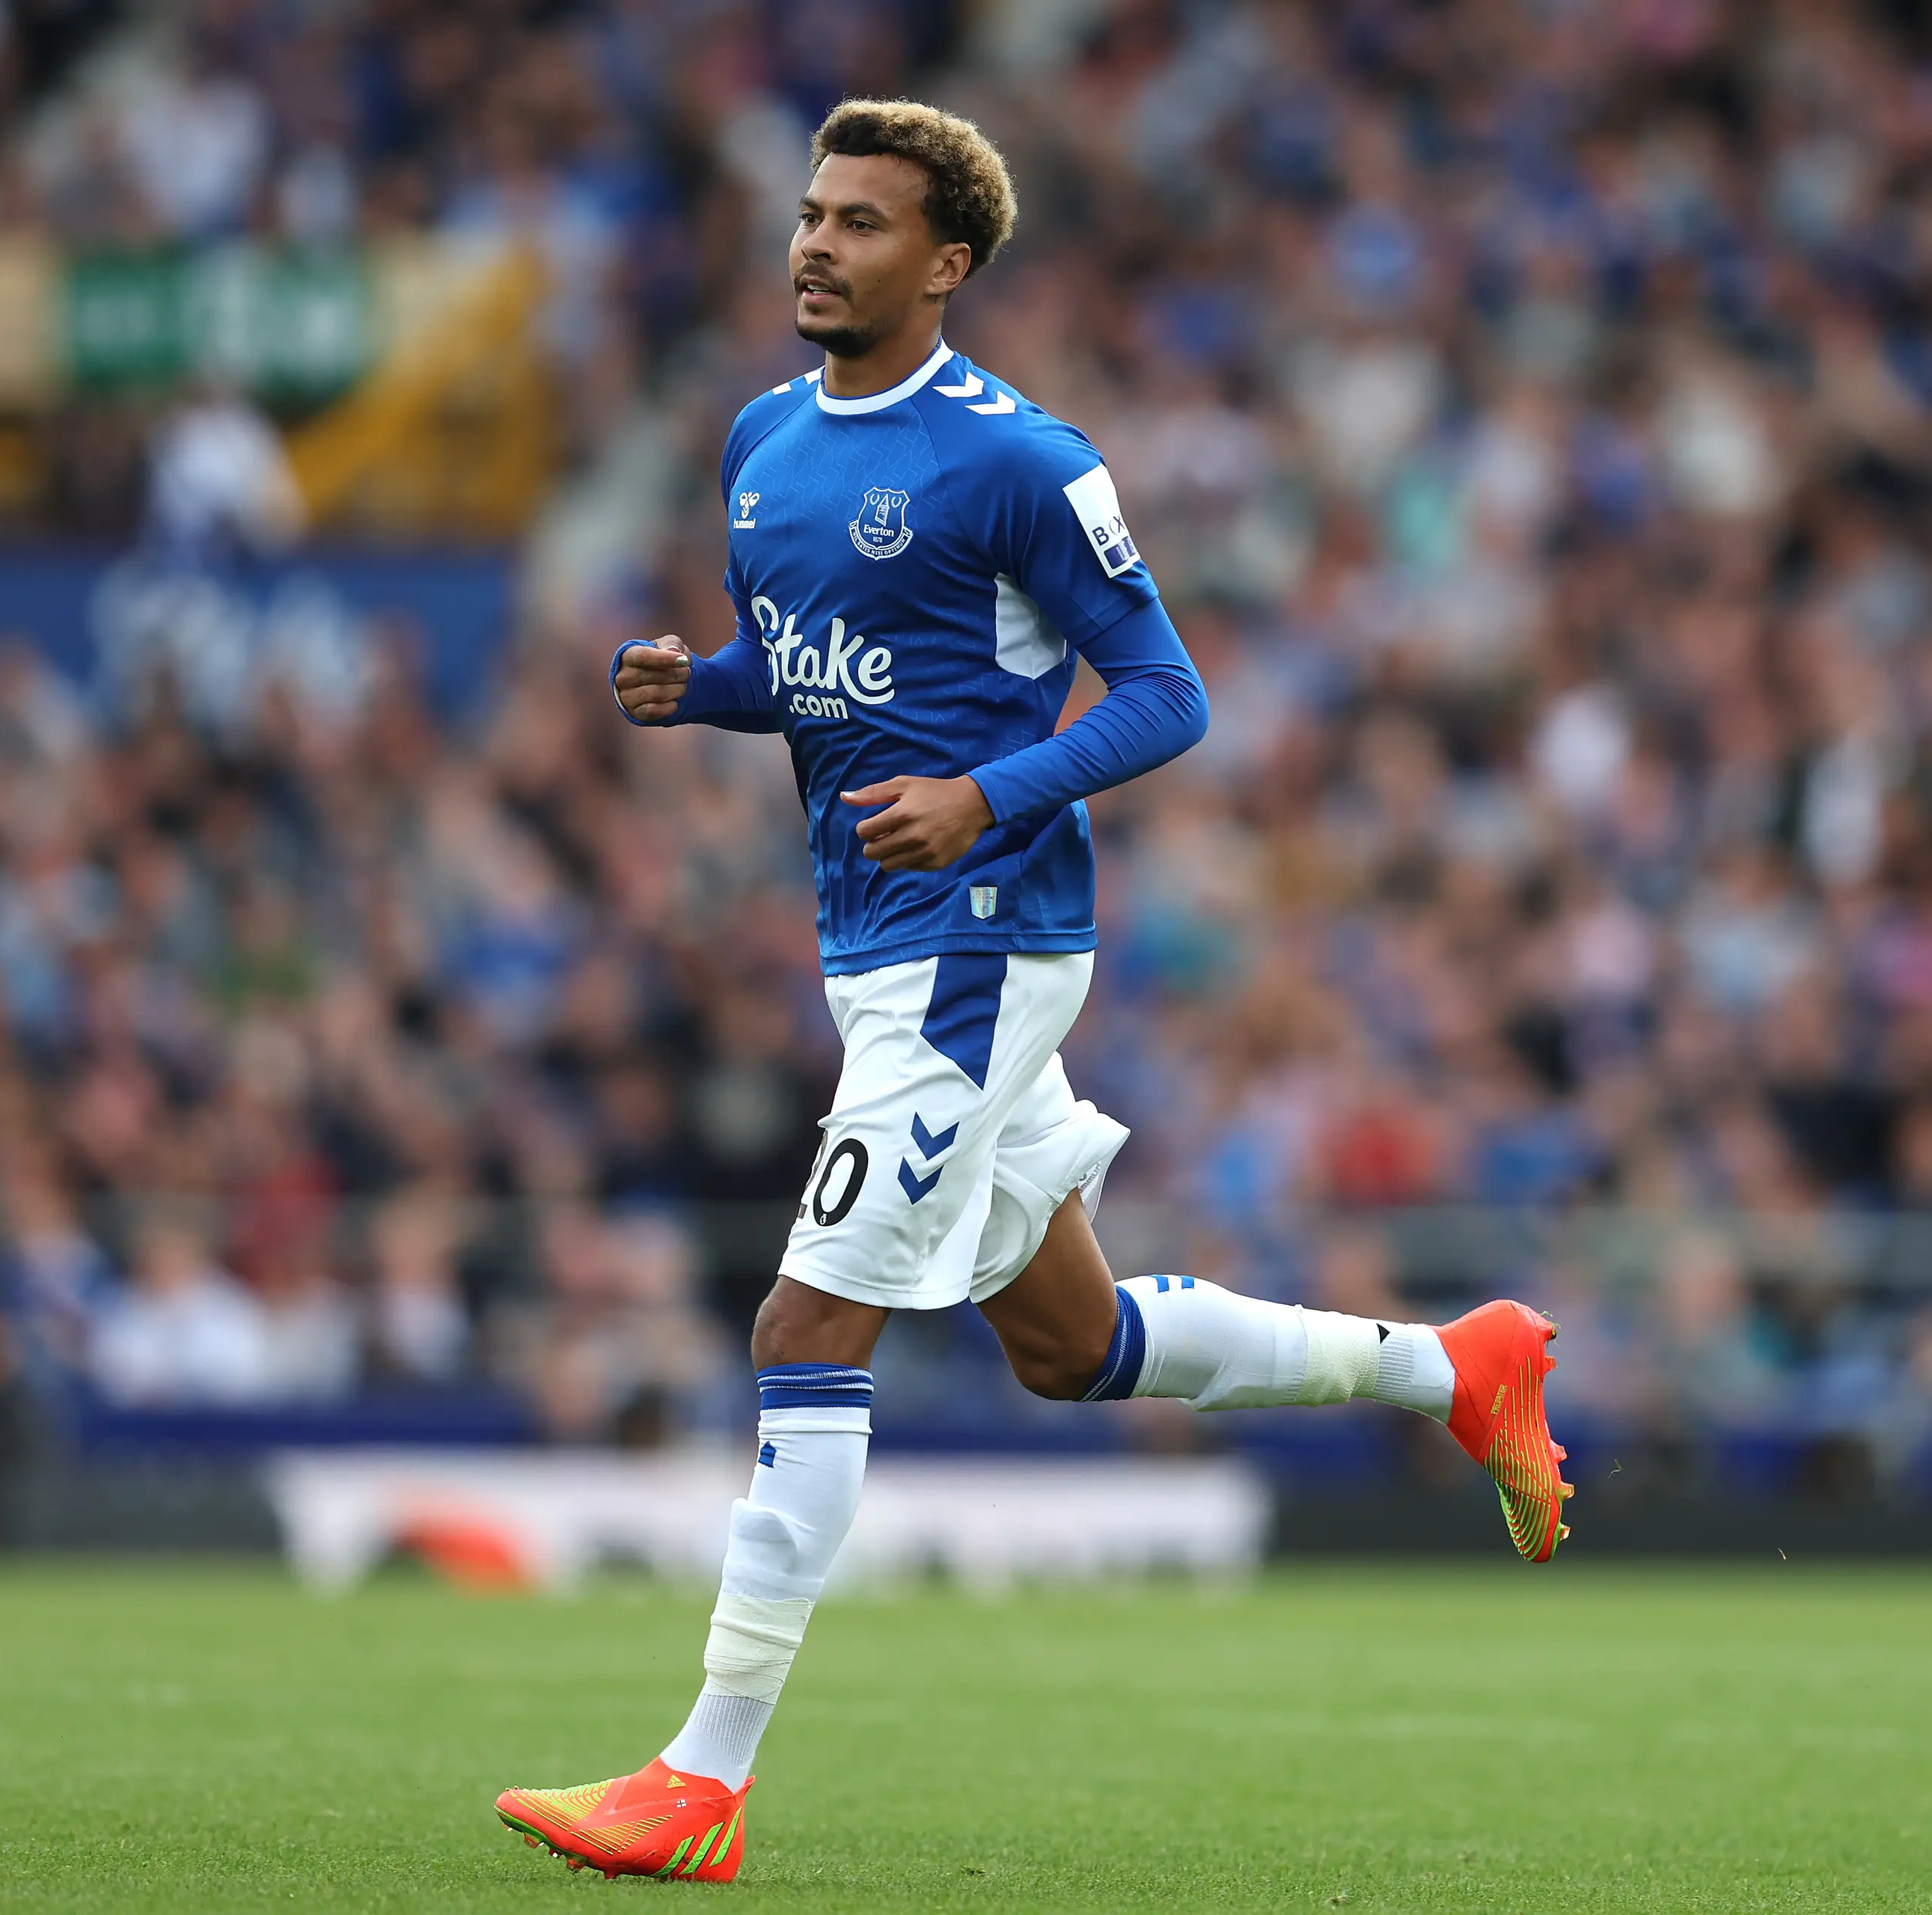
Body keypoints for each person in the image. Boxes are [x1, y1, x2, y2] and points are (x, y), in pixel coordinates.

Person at [493, 100, 1572, 1884]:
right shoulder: (765, 440)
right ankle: (1450, 1368)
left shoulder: (1023, 459)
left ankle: (702, 1776)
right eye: (813, 213)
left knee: (805, 1329)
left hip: (985, 945)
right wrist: (710, 686)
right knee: (1074, 1350)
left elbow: (1167, 693)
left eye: (861, 223)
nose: (818, 244)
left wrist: (991, 795)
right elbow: (840, 670)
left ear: (948, 263)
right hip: (877, 947)